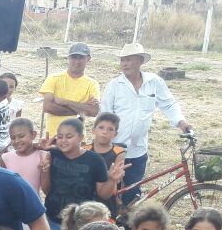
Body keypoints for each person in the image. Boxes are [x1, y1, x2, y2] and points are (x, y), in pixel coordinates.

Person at [100, 43, 192, 206]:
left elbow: (169, 104)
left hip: (138, 151)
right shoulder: (114, 85)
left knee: (133, 197)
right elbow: (104, 115)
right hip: (114, 150)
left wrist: (181, 122)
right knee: (110, 196)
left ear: (140, 61)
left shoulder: (154, 82)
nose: (124, 64)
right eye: (122, 60)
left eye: (128, 60)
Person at [40, 118, 114, 230]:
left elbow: (103, 194)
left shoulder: (95, 160)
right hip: (54, 219)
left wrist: (112, 180)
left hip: (82, 224)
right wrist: (45, 171)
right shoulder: (53, 154)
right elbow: (46, 190)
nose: (63, 140)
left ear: (81, 137)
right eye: (60, 136)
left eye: (69, 136)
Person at [40, 43, 100, 139]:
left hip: (77, 139)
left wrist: (64, 102)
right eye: (73, 57)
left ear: (88, 59)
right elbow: (48, 107)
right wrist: (80, 109)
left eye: (80, 57)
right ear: (68, 58)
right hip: (53, 137)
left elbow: (93, 111)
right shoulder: (53, 78)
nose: (76, 61)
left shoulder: (92, 84)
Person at [86, 112, 127, 216]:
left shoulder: (119, 152)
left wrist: (111, 176)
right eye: (101, 127)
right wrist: (107, 174)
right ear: (93, 130)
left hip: (108, 196)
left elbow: (115, 176)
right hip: (85, 194)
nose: (105, 132)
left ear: (115, 134)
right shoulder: (85, 149)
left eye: (110, 129)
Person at [1, 118, 45, 196]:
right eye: (13, 138)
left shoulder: (42, 157)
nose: (17, 141)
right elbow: (3, 186)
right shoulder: (5, 158)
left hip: (33, 205)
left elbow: (46, 190)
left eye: (21, 136)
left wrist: (45, 170)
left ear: (33, 135)